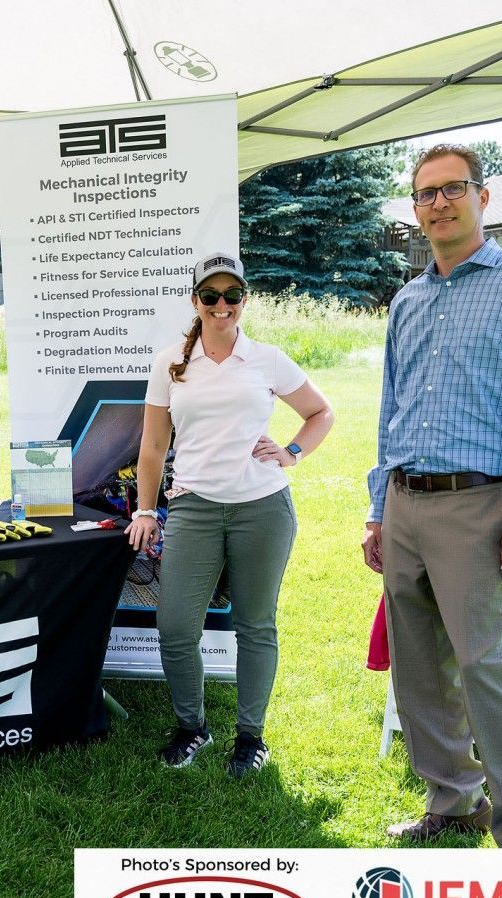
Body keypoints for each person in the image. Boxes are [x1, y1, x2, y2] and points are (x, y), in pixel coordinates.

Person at [363, 144, 502, 848]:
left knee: (483, 668)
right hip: (403, 503)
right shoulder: (408, 299)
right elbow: (391, 408)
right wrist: (375, 508)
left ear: (481, 197)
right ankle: (452, 803)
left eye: (452, 189)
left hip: (476, 508)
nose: (438, 204)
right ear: (415, 210)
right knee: (417, 668)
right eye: (424, 194)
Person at [128, 251, 334, 778]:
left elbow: (320, 412)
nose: (223, 306)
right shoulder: (170, 361)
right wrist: (146, 509)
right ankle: (192, 726)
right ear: (195, 300)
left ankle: (250, 737)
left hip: (261, 509)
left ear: (245, 299)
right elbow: (153, 446)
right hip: (193, 507)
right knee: (175, 626)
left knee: (255, 625)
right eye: (211, 296)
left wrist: (291, 452)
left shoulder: (265, 358)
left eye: (233, 296)